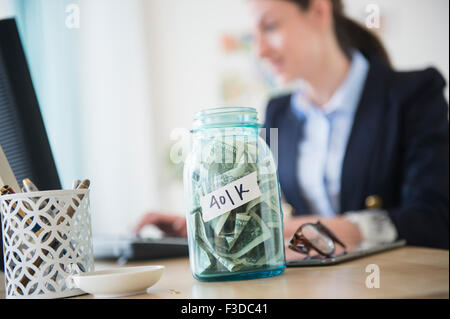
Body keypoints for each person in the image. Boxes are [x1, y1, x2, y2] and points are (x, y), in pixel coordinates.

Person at [135, 0, 449, 253]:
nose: (259, 51)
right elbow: (253, 205)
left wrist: (295, 228)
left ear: (319, 10)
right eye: (253, 35)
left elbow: (433, 220)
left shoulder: (414, 94)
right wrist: (202, 222)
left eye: (270, 27)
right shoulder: (279, 112)